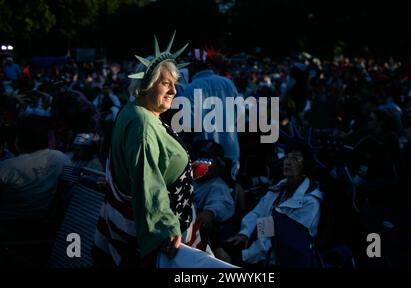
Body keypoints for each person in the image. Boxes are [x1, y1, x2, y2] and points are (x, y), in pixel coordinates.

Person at [92, 33, 197, 267]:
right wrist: (164, 227)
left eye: (174, 85)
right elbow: (146, 180)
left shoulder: (135, 112)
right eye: (165, 83)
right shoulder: (143, 123)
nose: (173, 92)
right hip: (161, 243)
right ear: (146, 84)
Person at [225, 142, 323, 267]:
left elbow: (284, 239)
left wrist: (246, 254)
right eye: (287, 157)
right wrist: (244, 233)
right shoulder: (278, 189)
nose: (288, 162)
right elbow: (258, 213)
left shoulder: (311, 202)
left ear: (305, 165)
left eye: (295, 158)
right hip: (259, 242)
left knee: (226, 257)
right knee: (223, 248)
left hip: (280, 258)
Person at [181, 50, 241, 180]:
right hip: (231, 153)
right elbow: (239, 117)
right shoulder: (228, 83)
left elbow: (188, 128)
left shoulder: (190, 89)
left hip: (205, 159)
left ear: (193, 66)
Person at [0, 115, 72, 221]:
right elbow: (69, 189)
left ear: (19, 139)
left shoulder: (7, 167)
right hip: (43, 223)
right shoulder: (61, 158)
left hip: (8, 226)